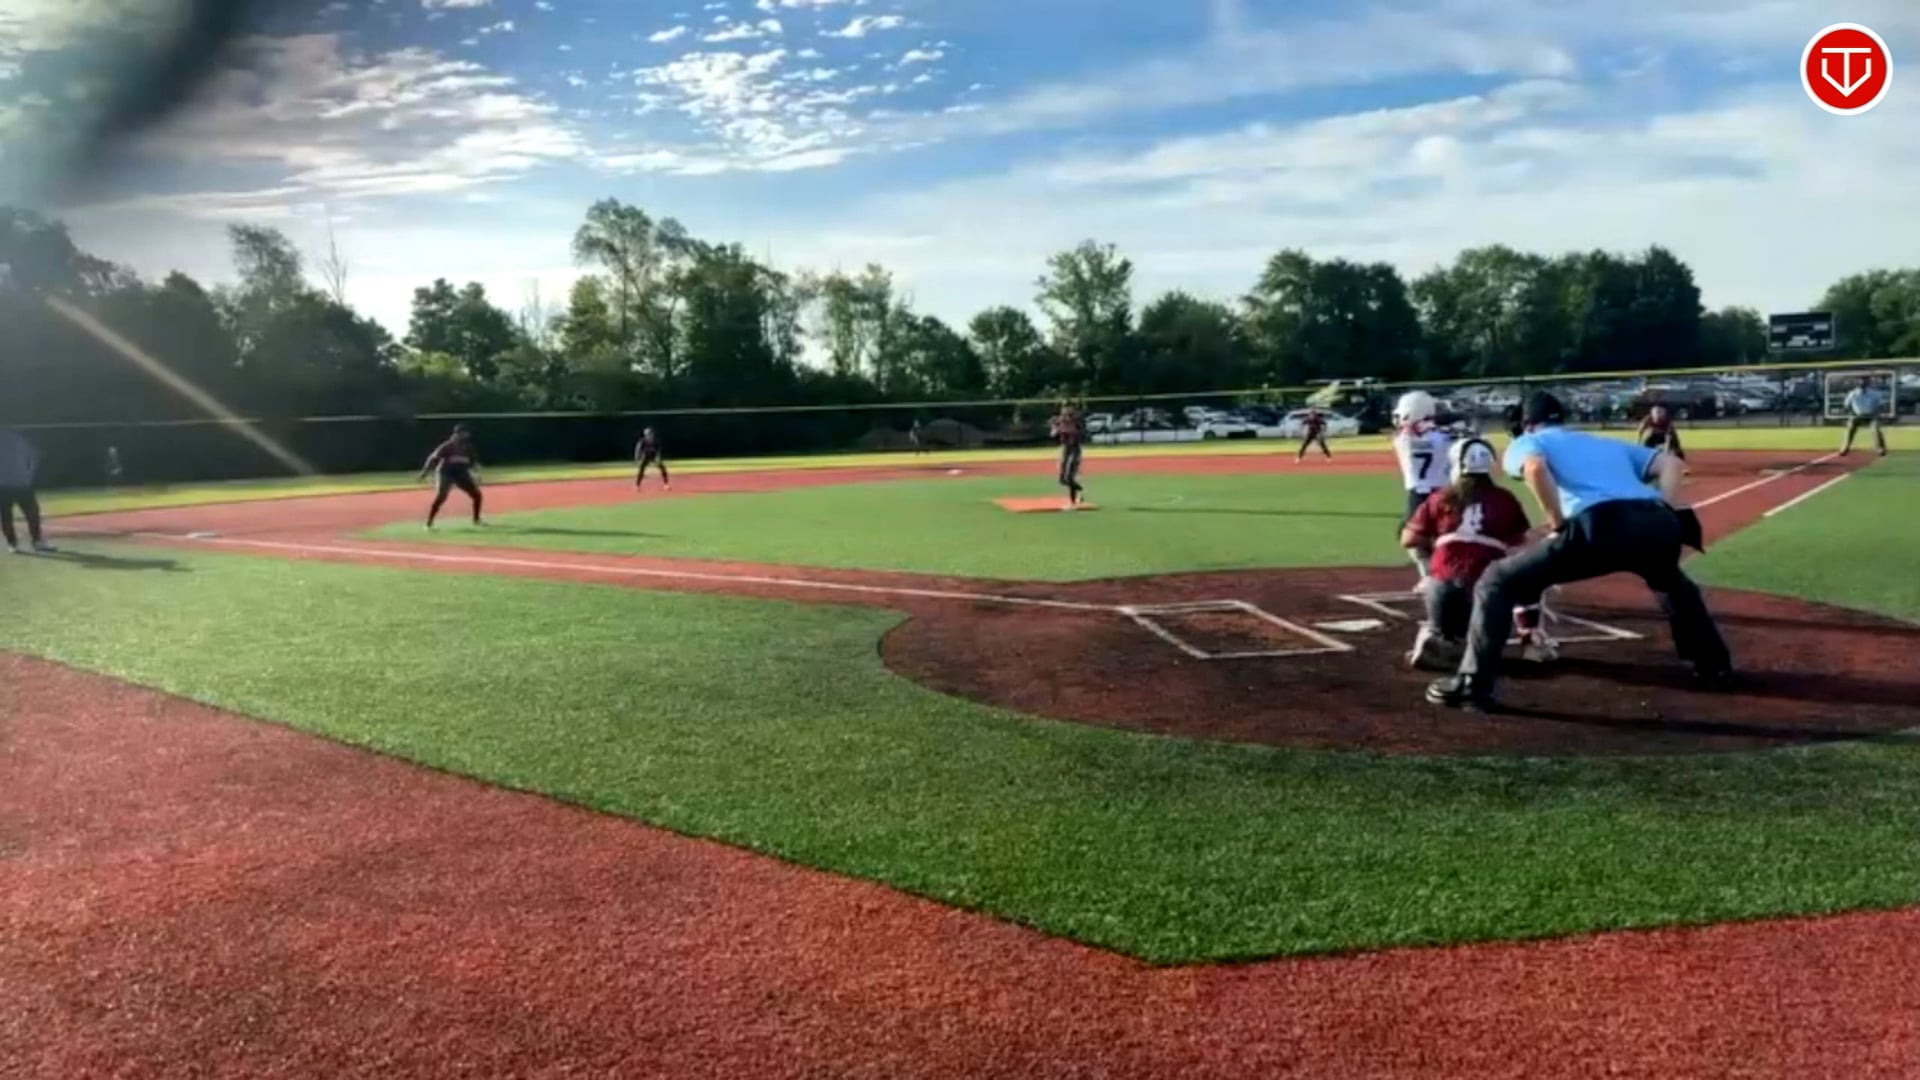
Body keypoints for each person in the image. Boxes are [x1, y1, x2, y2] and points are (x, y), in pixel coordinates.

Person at [1427, 391, 1730, 710]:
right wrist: (1664, 505)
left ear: (1528, 423)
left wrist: (1556, 521)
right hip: (1660, 524)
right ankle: (1715, 667)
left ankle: (1473, 684)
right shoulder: (1604, 443)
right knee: (1672, 582)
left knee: (1497, 580)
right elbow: (1672, 463)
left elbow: (1534, 468)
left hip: (1600, 525)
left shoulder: (1529, 441)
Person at [1401, 437, 1555, 670]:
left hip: (1442, 587)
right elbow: (1519, 543)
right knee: (1528, 576)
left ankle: (1439, 635)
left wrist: (1437, 549)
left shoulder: (1440, 497)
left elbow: (1408, 539)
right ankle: (1532, 641)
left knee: (1449, 624)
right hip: (1485, 587)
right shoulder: (1504, 499)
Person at [1390, 390, 1454, 584]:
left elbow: (1410, 430)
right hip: (1444, 492)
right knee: (1440, 534)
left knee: (1410, 537)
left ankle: (1430, 576)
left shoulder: (1402, 440)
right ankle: (1443, 572)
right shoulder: (1444, 437)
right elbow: (1442, 438)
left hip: (1419, 495)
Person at [0, 426, 56, 554]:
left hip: (22, 484)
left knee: (32, 513)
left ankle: (37, 541)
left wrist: (29, 474)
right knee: (6, 516)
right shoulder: (18, 438)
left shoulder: (19, 439)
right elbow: (35, 456)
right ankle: (12, 543)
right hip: (3, 485)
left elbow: (35, 455)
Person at [419, 423, 485, 529]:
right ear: (457, 434)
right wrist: (425, 472)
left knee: (477, 495)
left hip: (461, 473)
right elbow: (433, 458)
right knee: (441, 496)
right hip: (446, 473)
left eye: (466, 434)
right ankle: (429, 523)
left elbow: (473, 462)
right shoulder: (447, 446)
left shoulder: (468, 447)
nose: (466, 436)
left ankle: (476, 520)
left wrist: (477, 473)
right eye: (464, 434)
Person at [1049, 402, 1087, 509]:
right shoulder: (1058, 421)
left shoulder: (1076, 421)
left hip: (1075, 449)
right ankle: (1080, 490)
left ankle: (1072, 502)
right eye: (1064, 410)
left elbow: (1081, 433)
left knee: (1069, 476)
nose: (1066, 413)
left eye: (1069, 410)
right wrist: (1056, 429)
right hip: (1065, 449)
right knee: (1062, 479)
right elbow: (1053, 434)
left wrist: (1073, 430)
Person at [1840, 379, 1890, 457]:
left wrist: (1876, 414)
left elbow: (1881, 405)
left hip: (1871, 416)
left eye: (1864, 385)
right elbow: (1846, 406)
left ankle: (1880, 448)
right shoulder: (1852, 394)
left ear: (1867, 385)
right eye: (1860, 386)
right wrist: (1852, 414)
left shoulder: (1875, 394)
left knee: (1875, 427)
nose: (1862, 387)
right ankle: (1845, 447)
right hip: (1858, 416)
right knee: (1850, 426)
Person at [634, 426, 671, 491]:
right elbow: (638, 450)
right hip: (645, 456)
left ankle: (666, 484)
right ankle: (637, 485)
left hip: (654, 456)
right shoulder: (642, 441)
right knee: (641, 469)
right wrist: (637, 459)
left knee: (662, 468)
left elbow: (658, 450)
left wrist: (658, 458)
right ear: (645, 435)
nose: (650, 435)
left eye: (650, 434)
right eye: (648, 434)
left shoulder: (656, 441)